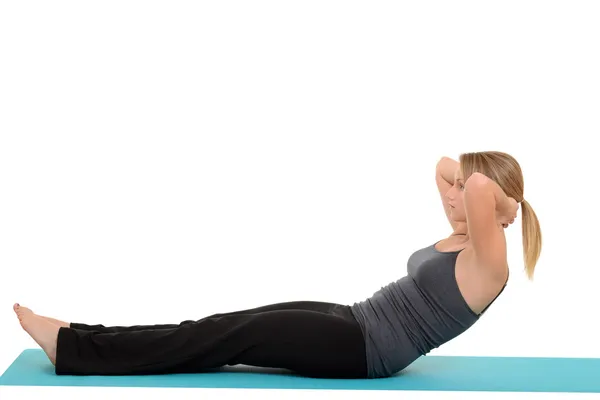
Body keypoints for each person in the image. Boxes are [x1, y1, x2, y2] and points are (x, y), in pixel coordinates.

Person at [14, 151, 542, 379]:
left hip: (364, 351)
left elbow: (472, 183)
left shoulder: (488, 262)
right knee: (219, 326)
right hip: (352, 318)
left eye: (468, 195)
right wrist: (488, 192)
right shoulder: (464, 236)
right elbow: (445, 169)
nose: (451, 195)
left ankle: (72, 349)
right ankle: (79, 337)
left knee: (227, 339)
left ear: (494, 205)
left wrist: (503, 202)